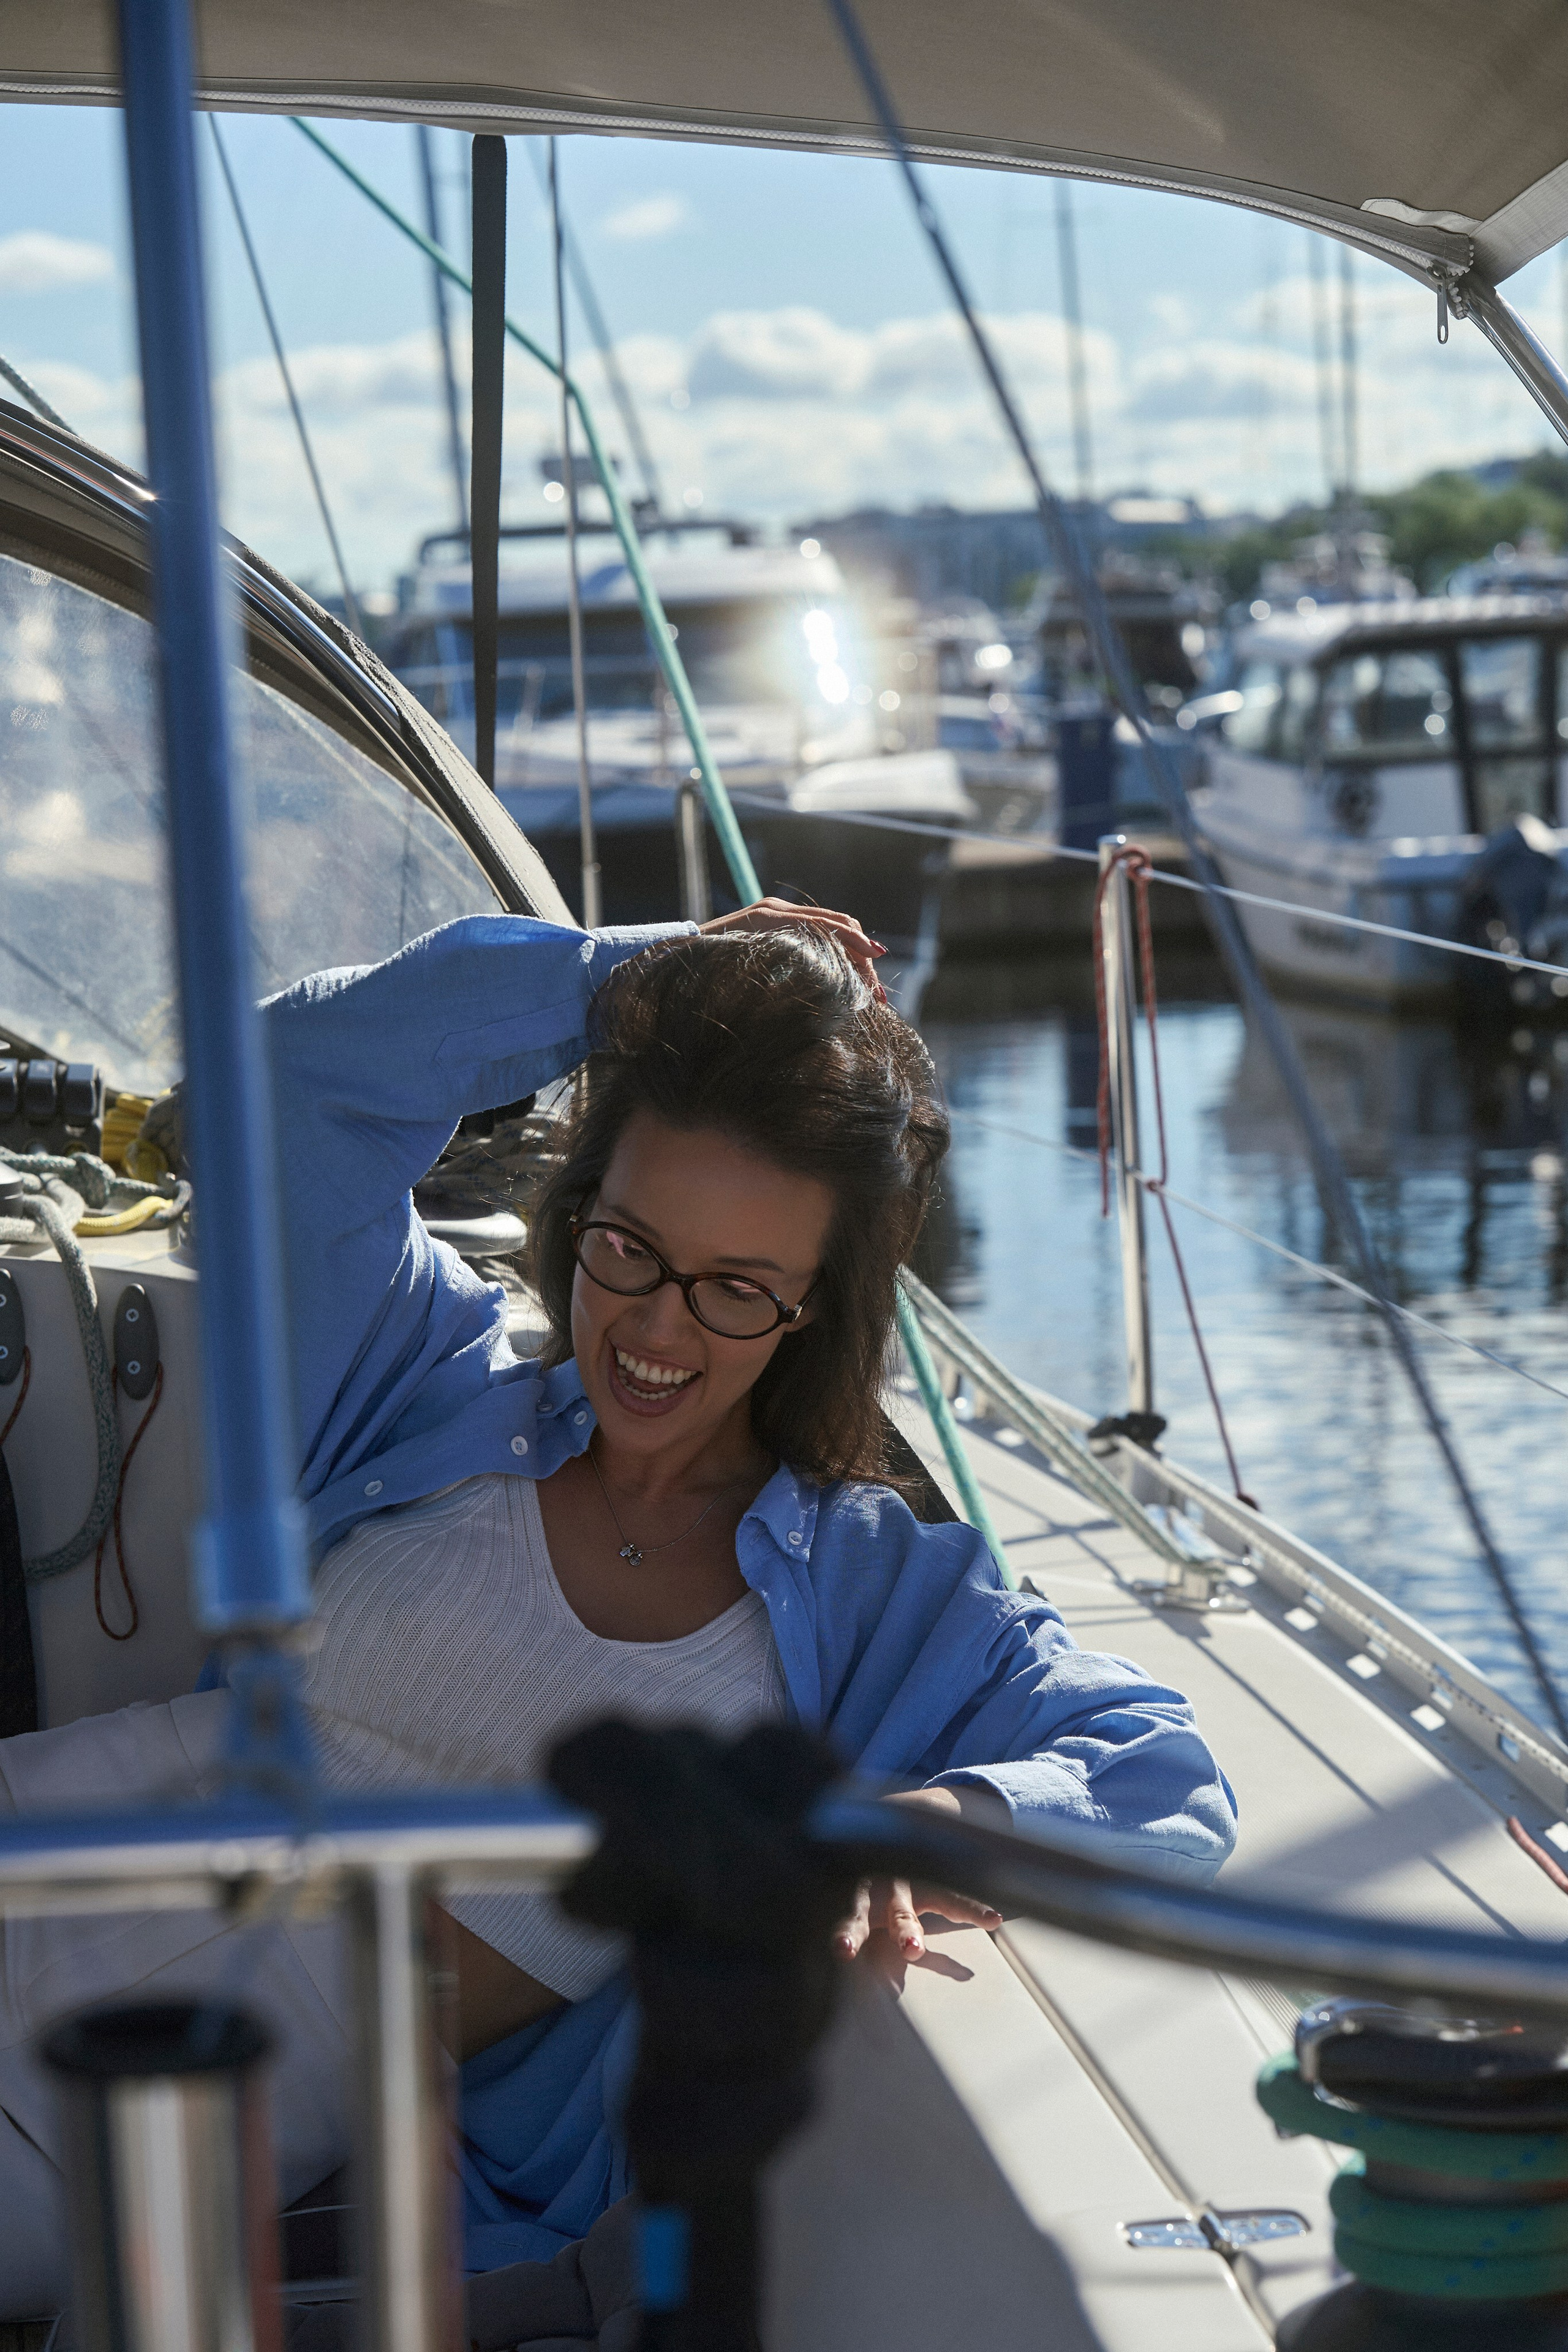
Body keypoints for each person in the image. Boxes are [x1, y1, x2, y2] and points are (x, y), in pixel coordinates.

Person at [0, 901, 1235, 2311]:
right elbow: (280, 1086)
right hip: (63, 1829)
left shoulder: (876, 1583)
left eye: (733, 1290)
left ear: (811, 1311)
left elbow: (1161, 1774)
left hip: (163, 2097)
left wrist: (908, 1832)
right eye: (629, 1249)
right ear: (576, 1213)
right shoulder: (425, 1385)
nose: (656, 1327)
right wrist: (624, 977)